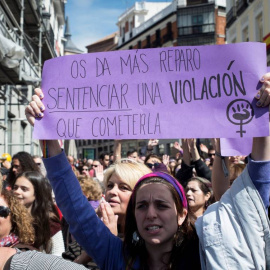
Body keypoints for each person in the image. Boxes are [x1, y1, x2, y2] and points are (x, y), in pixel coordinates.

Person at [24, 73, 270, 269]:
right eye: (141, 206)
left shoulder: (208, 254)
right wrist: (48, 134)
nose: (150, 214)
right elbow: (74, 208)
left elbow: (253, 198)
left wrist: (262, 117)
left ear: (182, 214)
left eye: (161, 206)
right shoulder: (117, 258)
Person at [12, 171, 65, 256]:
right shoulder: (8, 216)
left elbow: (58, 254)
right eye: (15, 187)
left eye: (24, 189)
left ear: (37, 193)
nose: (17, 192)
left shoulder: (48, 221)